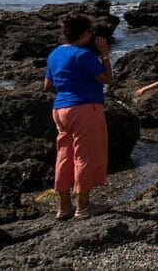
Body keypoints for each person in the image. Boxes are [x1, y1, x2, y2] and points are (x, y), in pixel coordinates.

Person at [42, 13, 112, 221]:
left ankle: (64, 207)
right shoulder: (83, 55)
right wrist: (105, 54)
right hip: (84, 108)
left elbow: (48, 86)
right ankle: (83, 206)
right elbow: (106, 79)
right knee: (85, 155)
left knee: (64, 155)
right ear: (83, 34)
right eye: (90, 32)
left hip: (60, 109)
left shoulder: (54, 54)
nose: (92, 36)